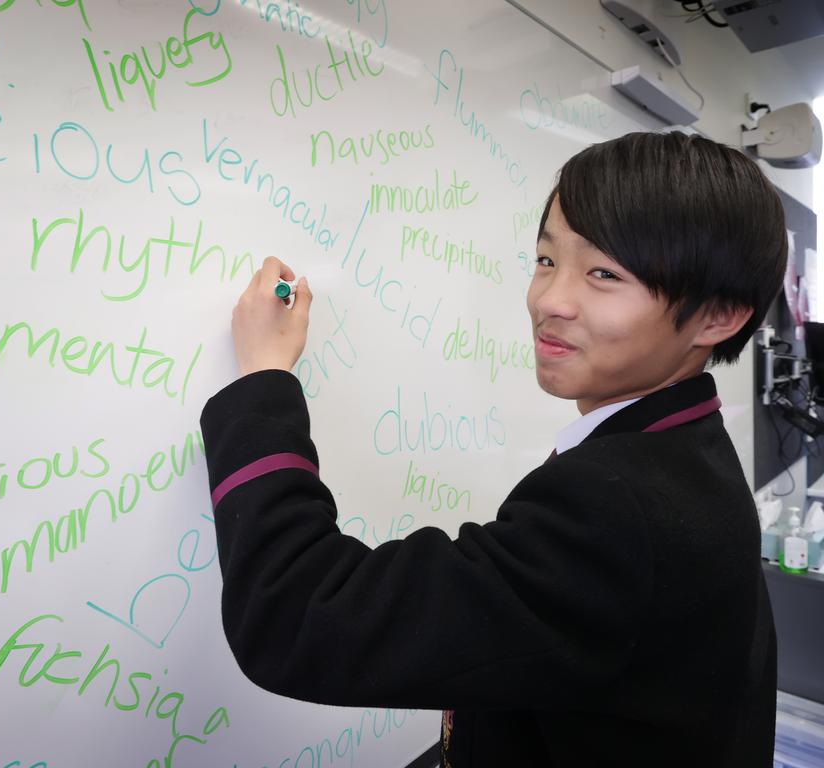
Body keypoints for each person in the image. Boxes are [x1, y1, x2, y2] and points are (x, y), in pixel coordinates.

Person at [199, 131, 786, 767]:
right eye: (544, 260)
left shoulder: (618, 507)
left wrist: (263, 381)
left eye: (604, 273)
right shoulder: (688, 448)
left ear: (718, 316)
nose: (550, 301)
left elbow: (296, 614)